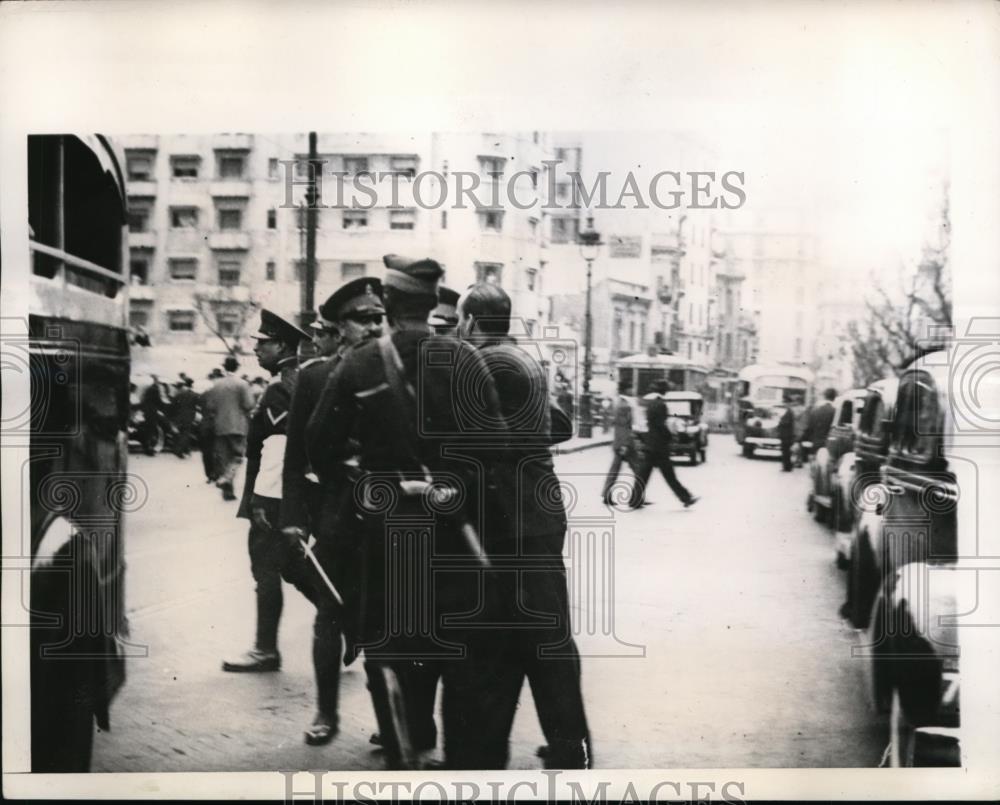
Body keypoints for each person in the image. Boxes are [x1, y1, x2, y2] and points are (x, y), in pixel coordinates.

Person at [305, 255, 507, 770]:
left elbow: (320, 446)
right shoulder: (465, 360)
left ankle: (403, 748)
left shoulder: (361, 363)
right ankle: (454, 760)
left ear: (390, 303)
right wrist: (455, 490)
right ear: (433, 300)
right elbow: (496, 452)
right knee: (454, 642)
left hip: (387, 529)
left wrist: (364, 489)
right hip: (455, 531)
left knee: (392, 643)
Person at [456, 282, 593, 770]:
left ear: (471, 322)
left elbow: (473, 442)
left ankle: (494, 751)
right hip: (538, 511)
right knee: (547, 634)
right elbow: (560, 425)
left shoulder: (485, 364)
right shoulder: (522, 359)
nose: (456, 329)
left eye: (458, 319)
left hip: (511, 518)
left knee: (505, 641)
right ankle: (568, 741)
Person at [279, 278, 385, 745]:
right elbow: (294, 458)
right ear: (340, 327)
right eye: (364, 319)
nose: (375, 325)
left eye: (379, 317)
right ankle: (326, 714)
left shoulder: (396, 371)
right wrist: (294, 518)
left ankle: (388, 722)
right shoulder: (315, 376)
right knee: (328, 614)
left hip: (386, 518)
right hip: (337, 515)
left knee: (387, 620)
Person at [223, 310, 311, 673]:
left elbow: (276, 448)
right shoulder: (298, 379)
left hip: (274, 497)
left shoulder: (279, 388)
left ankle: (265, 650)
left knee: (265, 568)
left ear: (283, 346)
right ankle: (346, 622)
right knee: (293, 567)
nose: (257, 350)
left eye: (264, 344)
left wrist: (260, 502)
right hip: (292, 495)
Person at [629, 379, 698, 509]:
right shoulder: (661, 404)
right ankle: (686, 498)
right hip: (659, 446)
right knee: (669, 475)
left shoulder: (651, 404)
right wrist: (670, 436)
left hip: (650, 444)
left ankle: (634, 499)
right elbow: (661, 425)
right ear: (663, 391)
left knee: (644, 474)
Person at [201, 356, 255, 501]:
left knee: (224, 459)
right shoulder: (242, 384)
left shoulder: (216, 385)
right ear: (237, 367)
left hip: (220, 426)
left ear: (224, 367)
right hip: (237, 425)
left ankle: (228, 491)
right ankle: (226, 478)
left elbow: (210, 406)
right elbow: (249, 404)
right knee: (237, 457)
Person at [602, 378, 638, 505]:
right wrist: (625, 445)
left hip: (621, 442)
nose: (632, 390)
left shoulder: (621, 403)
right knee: (639, 470)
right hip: (625, 443)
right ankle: (638, 496)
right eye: (630, 387)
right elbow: (623, 426)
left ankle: (607, 494)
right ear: (625, 389)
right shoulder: (624, 405)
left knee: (615, 470)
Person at [801, 388, 837, 461]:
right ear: (835, 397)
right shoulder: (836, 412)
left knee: (815, 465)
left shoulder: (816, 410)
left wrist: (803, 440)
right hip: (829, 446)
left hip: (815, 444)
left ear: (824, 396)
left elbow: (809, 427)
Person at [169, 378, 199, 458]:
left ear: (185, 384)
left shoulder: (179, 394)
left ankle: (185, 449)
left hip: (179, 416)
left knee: (179, 433)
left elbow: (173, 405)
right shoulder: (195, 395)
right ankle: (180, 451)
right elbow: (198, 406)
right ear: (192, 385)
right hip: (189, 417)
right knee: (185, 434)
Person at [777, 403, 796, 472]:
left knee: (786, 452)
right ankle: (787, 466)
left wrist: (780, 421)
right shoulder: (789, 412)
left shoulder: (789, 412)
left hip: (786, 435)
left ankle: (787, 467)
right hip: (786, 435)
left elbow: (786, 422)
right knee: (786, 451)